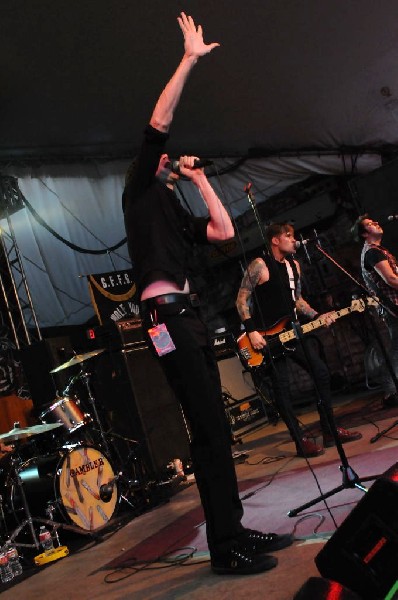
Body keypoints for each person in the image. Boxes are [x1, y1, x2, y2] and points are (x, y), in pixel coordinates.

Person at [122, 13, 293, 575]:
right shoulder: (141, 188)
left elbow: (222, 231)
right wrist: (189, 59)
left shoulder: (173, 202)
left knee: (218, 429)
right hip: (163, 322)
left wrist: (199, 180)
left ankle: (234, 531)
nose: (172, 157)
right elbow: (158, 123)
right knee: (208, 429)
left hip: (186, 318)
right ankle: (225, 547)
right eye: (169, 158)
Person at [236, 222, 362, 458]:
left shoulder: (295, 266)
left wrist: (317, 315)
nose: (293, 240)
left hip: (292, 331)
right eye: (288, 236)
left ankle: (329, 430)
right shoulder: (260, 265)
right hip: (266, 339)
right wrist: (252, 331)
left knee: (321, 373)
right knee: (282, 389)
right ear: (275, 240)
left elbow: (298, 300)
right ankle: (300, 441)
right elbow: (241, 300)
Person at [351, 215, 398, 406]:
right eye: (371, 224)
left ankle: (391, 389)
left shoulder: (377, 251)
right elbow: (391, 280)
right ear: (364, 234)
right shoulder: (372, 253)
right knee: (397, 349)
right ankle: (390, 391)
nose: (377, 223)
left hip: (392, 305)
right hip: (393, 306)